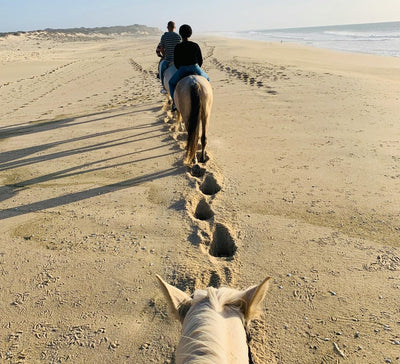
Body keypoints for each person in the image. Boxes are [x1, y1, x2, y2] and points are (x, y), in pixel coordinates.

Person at [169, 24, 209, 111]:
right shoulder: (195, 45)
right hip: (195, 67)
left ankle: (175, 104)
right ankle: (207, 99)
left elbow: (176, 62)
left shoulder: (178, 46)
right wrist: (196, 68)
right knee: (207, 79)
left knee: (171, 83)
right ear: (190, 34)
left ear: (180, 34)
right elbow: (200, 60)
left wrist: (181, 68)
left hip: (182, 69)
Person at [157, 21, 181, 92]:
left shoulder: (164, 36)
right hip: (177, 60)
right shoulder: (178, 36)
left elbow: (161, 48)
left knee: (161, 70)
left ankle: (164, 87)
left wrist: (164, 56)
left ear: (167, 27)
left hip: (168, 60)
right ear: (175, 27)